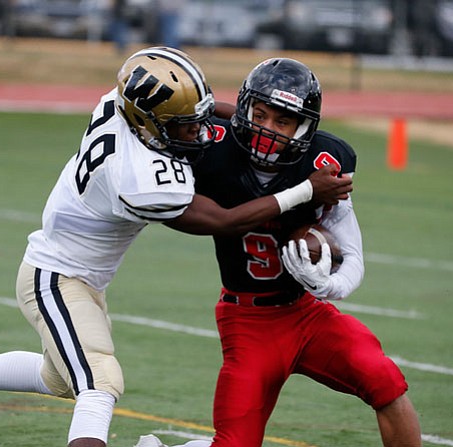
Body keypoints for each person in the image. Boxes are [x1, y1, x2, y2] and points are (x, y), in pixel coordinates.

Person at [0, 48, 352, 447]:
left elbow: (197, 111)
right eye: (184, 126)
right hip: (54, 277)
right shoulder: (140, 177)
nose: (196, 133)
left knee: (59, 377)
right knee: (99, 383)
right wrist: (305, 191)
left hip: (83, 276)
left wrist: (251, 118)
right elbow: (226, 221)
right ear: (151, 125)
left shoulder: (118, 103)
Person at [139, 58, 422, 447]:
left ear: (303, 128)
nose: (266, 129)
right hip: (247, 320)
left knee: (386, 381)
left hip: (305, 314)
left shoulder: (326, 163)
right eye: (259, 114)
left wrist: (328, 284)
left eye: (282, 122)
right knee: (235, 441)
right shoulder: (212, 149)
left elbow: (353, 254)